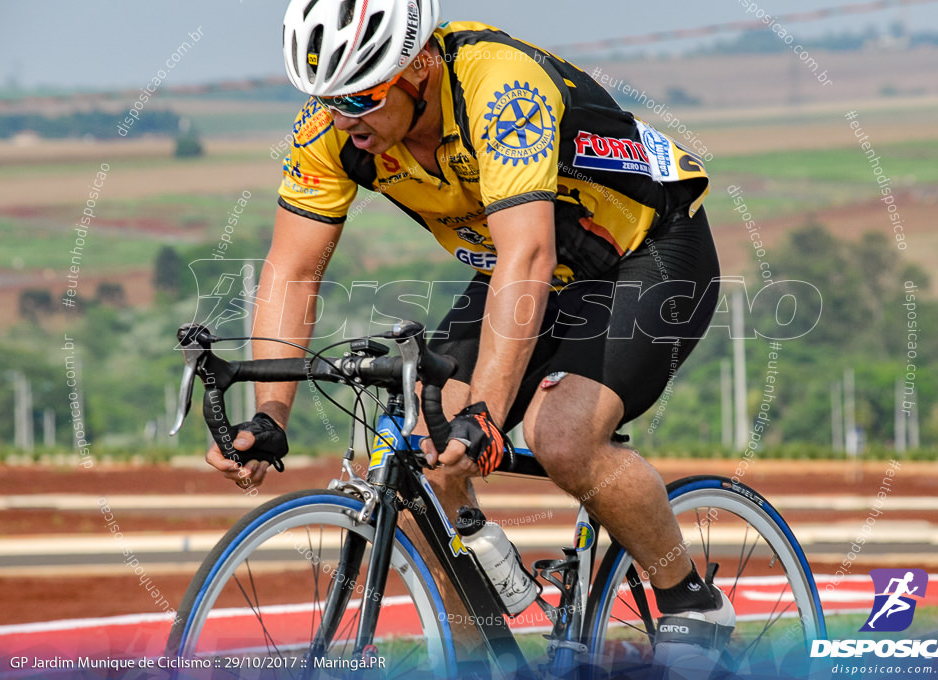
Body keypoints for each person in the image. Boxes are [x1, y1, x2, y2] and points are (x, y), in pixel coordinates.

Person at [205, 0, 733, 665]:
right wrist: (270, 413)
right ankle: (486, 651)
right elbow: (292, 271)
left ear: (419, 67)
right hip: (520, 265)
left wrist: (485, 408)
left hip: (642, 251)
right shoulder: (332, 131)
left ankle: (690, 600)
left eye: (363, 98)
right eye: (330, 98)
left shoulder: (499, 87)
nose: (346, 119)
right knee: (419, 450)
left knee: (562, 436)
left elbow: (529, 256)